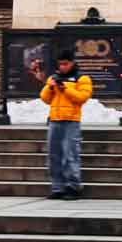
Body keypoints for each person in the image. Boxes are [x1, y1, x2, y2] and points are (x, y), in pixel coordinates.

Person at [36, 48, 91, 199]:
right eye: (60, 64)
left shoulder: (82, 78)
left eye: (66, 64)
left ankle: (73, 187)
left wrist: (64, 88)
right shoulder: (54, 77)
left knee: (70, 154)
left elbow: (82, 98)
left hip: (71, 121)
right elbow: (45, 98)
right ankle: (57, 188)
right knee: (54, 155)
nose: (62, 67)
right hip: (55, 120)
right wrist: (50, 86)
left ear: (73, 63)